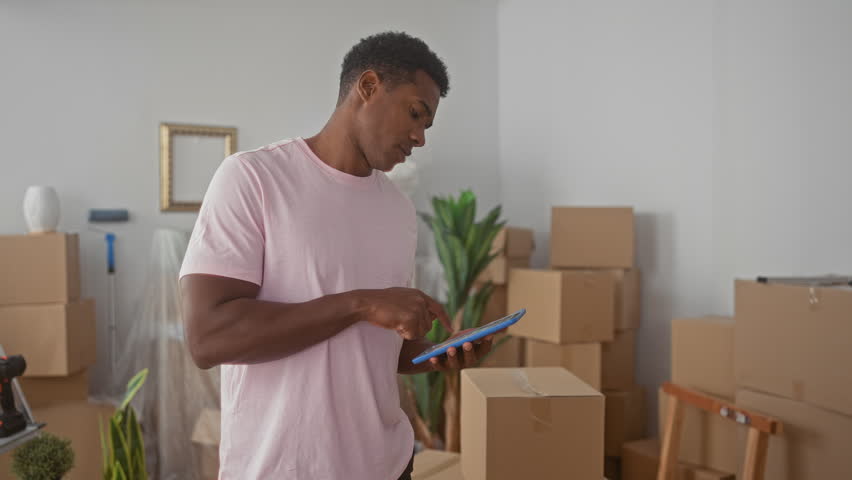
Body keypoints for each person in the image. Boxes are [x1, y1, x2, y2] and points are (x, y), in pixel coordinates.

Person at [180, 31, 493, 480]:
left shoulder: (398, 210)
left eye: (427, 124)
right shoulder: (253, 179)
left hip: (386, 467)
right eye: (415, 113)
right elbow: (207, 339)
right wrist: (362, 302)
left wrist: (435, 353)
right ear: (367, 87)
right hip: (282, 469)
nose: (420, 137)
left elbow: (376, 351)